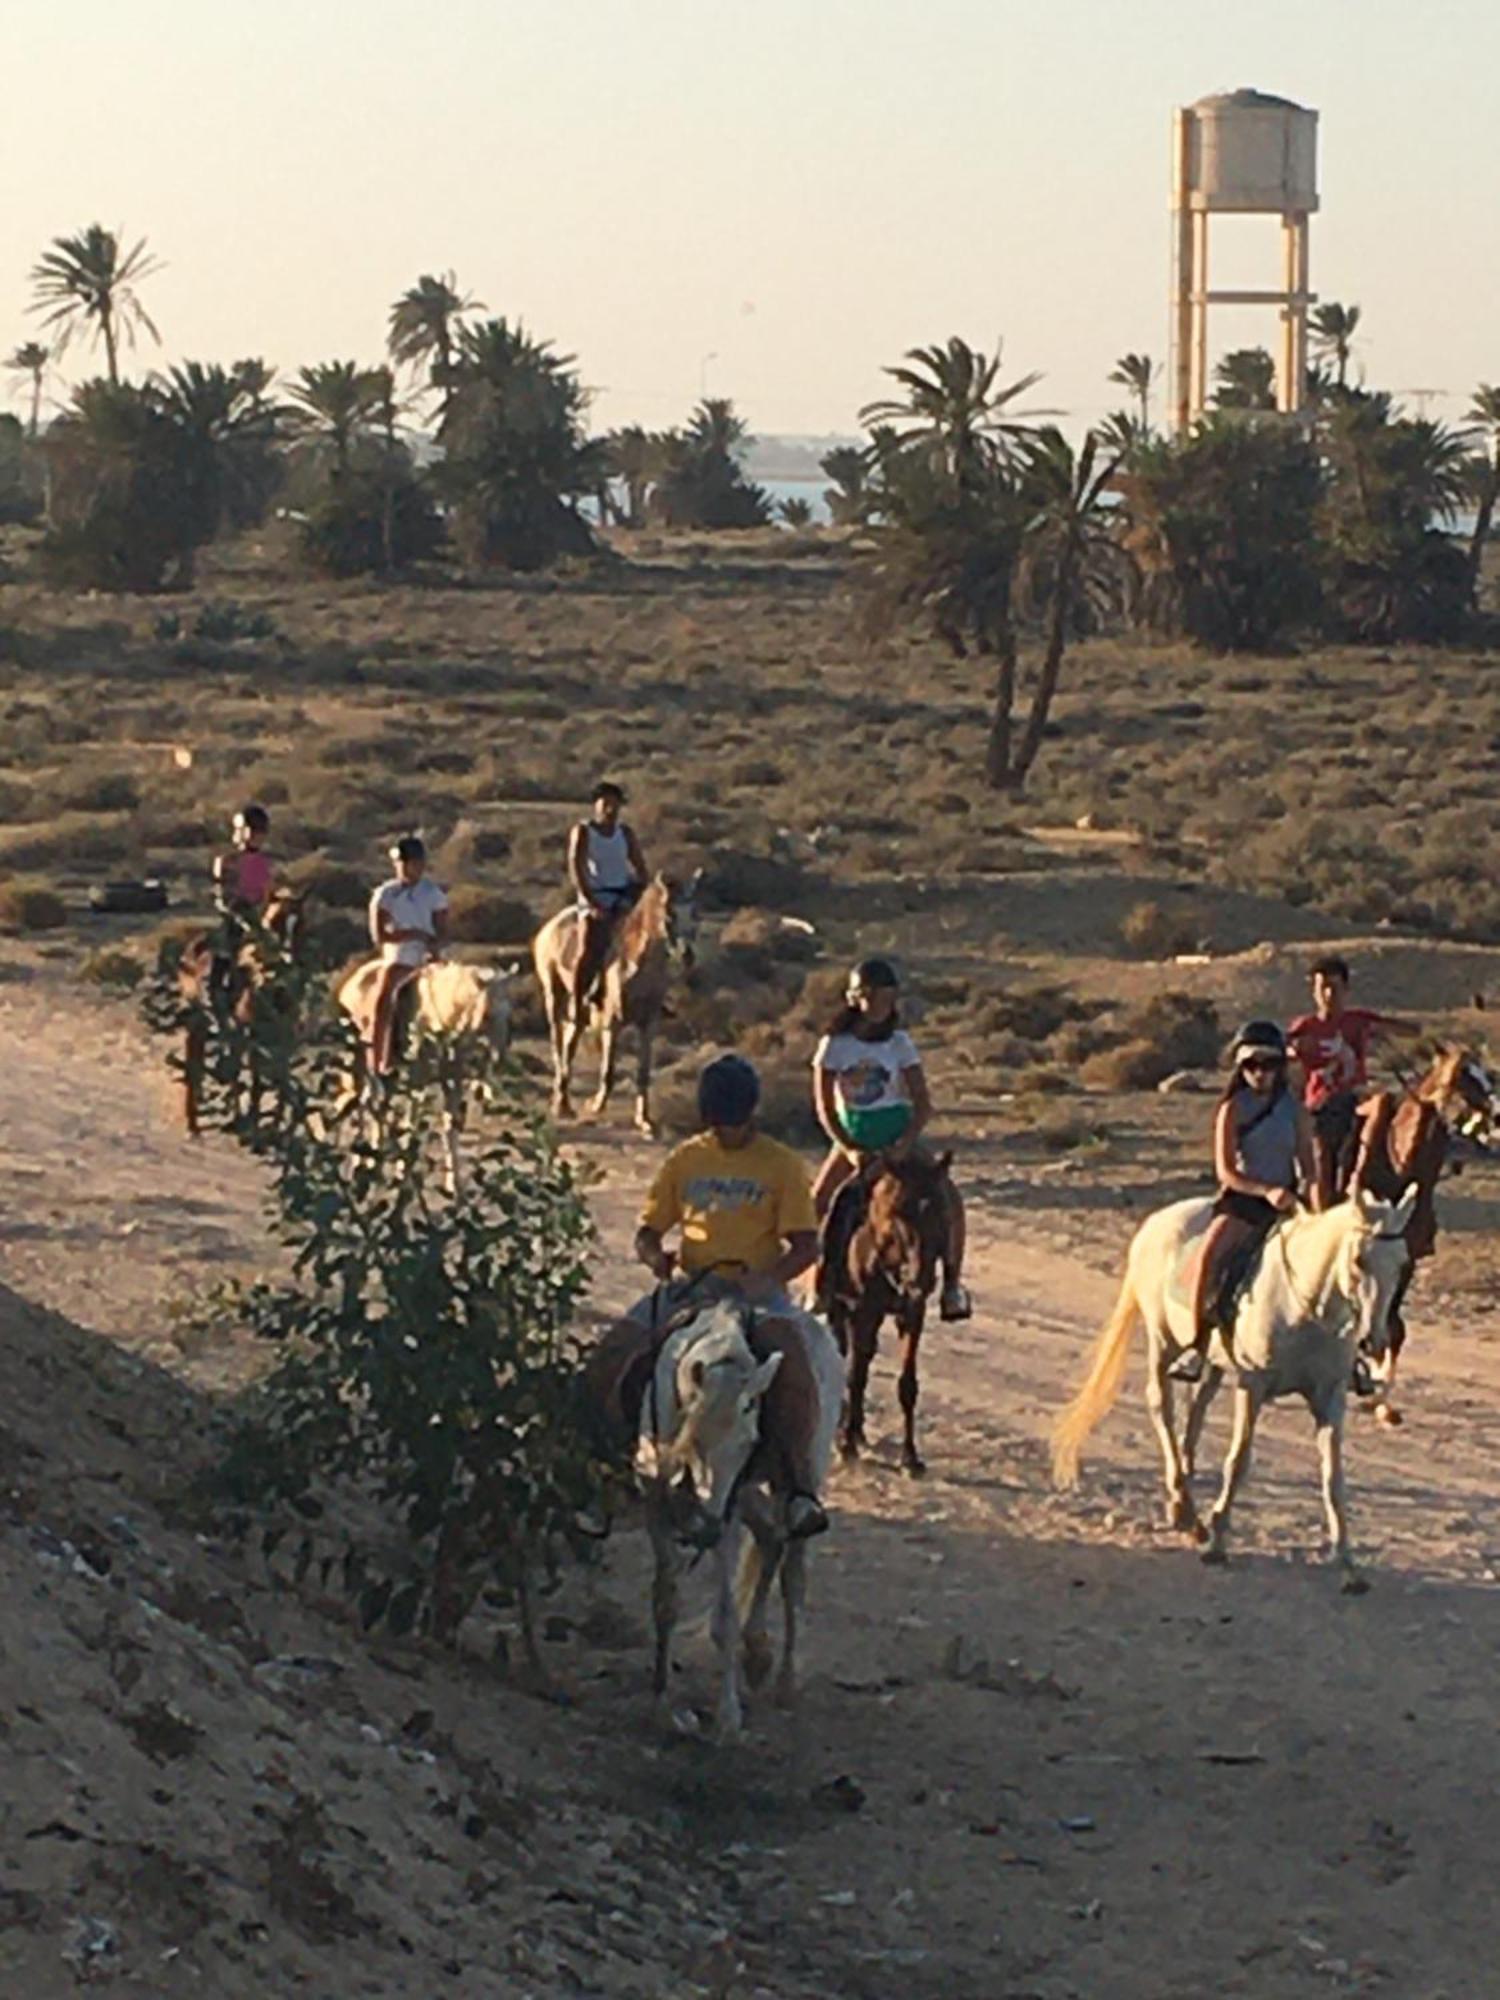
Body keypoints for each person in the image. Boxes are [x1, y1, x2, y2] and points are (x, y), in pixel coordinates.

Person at [586, 1054, 830, 1540]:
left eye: (736, 1123)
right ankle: (606, 1474)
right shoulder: (687, 1159)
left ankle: (798, 1488)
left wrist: (770, 1277)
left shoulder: (780, 1165)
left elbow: (807, 1245)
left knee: (796, 1365)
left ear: (752, 1114)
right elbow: (648, 1230)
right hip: (693, 1286)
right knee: (612, 1355)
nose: (728, 1132)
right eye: (720, 1122)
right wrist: (655, 1256)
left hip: (757, 1289)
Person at [811, 957, 971, 1322]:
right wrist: (848, 1147)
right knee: (819, 1203)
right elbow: (824, 1107)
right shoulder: (835, 1045)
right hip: (853, 1141)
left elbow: (923, 1104)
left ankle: (952, 1286)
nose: (882, 1005)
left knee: (947, 1199)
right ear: (856, 998)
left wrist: (905, 1142)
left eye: (887, 996)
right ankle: (818, 1284)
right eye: (873, 997)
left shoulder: (900, 1044)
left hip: (898, 1139)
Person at [1169, 1020, 1319, 1383]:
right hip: (1244, 1200)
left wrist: (1313, 1204)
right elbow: (1226, 1171)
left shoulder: (1294, 1109)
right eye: (1251, 1065)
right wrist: (1265, 1191)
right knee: (1211, 1254)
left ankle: (1349, 1353)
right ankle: (1197, 1345)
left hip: (1287, 1201)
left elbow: (1309, 1165)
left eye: (1268, 1065)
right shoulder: (1233, 1108)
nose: (1260, 1074)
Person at [1287, 956, 1410, 1206]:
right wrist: (1294, 1051)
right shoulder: (1305, 1027)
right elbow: (1284, 1052)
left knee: (1383, 1114)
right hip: (1321, 1106)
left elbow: (1407, 1030)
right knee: (1321, 1158)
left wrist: (1382, 1033)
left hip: (1355, 1100)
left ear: (1346, 990)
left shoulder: (1358, 1021)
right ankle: (1320, 1211)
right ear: (1314, 991)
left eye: (1335, 987)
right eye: (1323, 987)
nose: (1329, 994)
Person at [366, 834, 450, 1077]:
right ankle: (379, 1058)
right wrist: (412, 934)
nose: (406, 868)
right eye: (401, 863)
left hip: (427, 957)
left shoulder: (433, 894)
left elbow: (443, 930)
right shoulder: (385, 895)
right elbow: (379, 935)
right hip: (398, 956)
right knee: (384, 999)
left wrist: (433, 946)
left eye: (411, 863)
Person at [568, 781, 648, 1013]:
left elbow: (639, 866)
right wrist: (591, 901)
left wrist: (642, 888)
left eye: (615, 804)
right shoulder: (584, 831)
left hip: (622, 893)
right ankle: (579, 997)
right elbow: (577, 867)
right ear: (596, 805)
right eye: (606, 804)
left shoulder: (625, 833)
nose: (610, 810)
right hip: (596, 895)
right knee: (591, 944)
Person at [209, 804, 275, 1009]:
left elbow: (267, 892)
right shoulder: (227, 861)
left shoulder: (265, 862)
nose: (256, 835)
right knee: (228, 946)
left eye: (259, 831)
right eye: (251, 830)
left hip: (259, 916)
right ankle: (217, 991)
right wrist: (240, 913)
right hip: (236, 915)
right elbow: (224, 895)